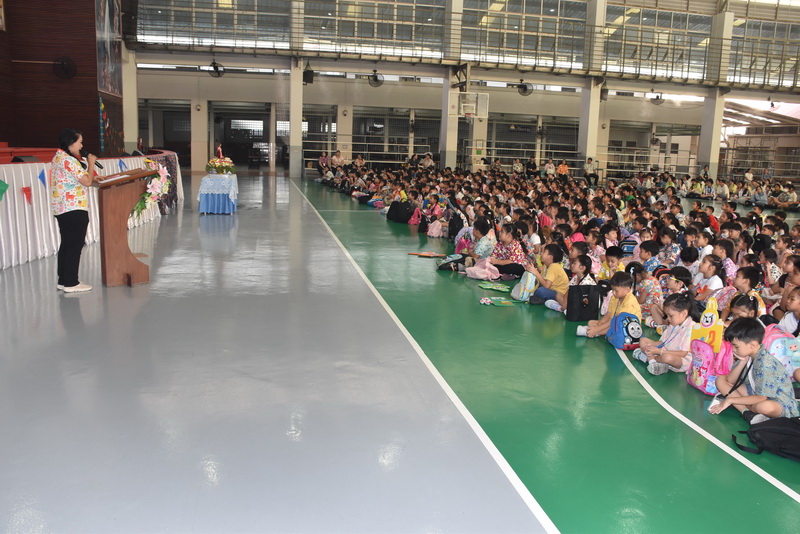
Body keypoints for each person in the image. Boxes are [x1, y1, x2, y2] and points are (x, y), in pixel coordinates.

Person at [710, 317, 799, 424]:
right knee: (720, 380)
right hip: (755, 392)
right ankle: (747, 412)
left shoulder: (765, 363)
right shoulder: (749, 355)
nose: (733, 350)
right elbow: (730, 380)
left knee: (764, 407)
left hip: (778, 402)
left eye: (736, 346)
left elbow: (762, 397)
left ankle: (746, 407)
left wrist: (731, 399)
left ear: (752, 345)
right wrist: (742, 362)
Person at [50, 128, 100, 293]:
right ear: (71, 143)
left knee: (66, 244)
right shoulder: (68, 160)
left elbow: (78, 179)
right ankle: (71, 283)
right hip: (73, 208)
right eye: (80, 142)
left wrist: (94, 178)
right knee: (74, 245)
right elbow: (86, 182)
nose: (82, 146)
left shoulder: (59, 157)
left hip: (63, 208)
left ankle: (63, 280)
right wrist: (91, 163)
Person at [633, 293, 697, 375]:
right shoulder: (673, 324)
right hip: (664, 350)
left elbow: (683, 354)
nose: (668, 319)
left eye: (671, 316)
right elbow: (663, 342)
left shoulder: (691, 327)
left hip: (680, 359)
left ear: (684, 313)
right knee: (643, 340)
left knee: (667, 358)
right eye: (667, 316)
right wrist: (651, 347)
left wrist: (659, 351)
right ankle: (653, 360)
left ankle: (648, 358)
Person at [577, 271, 641, 338]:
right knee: (591, 322)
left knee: (613, 328)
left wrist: (597, 329)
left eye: (616, 291)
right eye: (612, 289)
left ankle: (593, 333)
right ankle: (593, 331)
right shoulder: (614, 297)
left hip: (628, 326)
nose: (613, 293)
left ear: (627, 290)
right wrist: (599, 324)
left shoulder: (630, 302)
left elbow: (614, 321)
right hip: (614, 321)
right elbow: (608, 314)